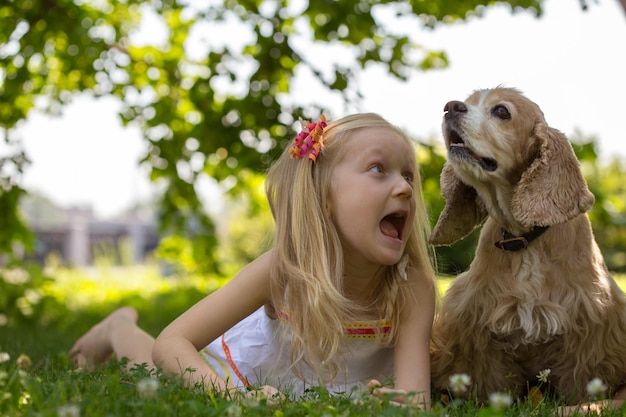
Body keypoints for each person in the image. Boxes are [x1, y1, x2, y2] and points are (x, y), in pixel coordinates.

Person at [69, 113, 437, 408]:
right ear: (324, 197)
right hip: (246, 379)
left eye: (408, 175)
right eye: (378, 169)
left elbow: (415, 401)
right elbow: (173, 342)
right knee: (153, 371)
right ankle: (118, 328)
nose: (405, 187)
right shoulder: (284, 269)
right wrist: (236, 401)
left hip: (318, 394)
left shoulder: (412, 287)